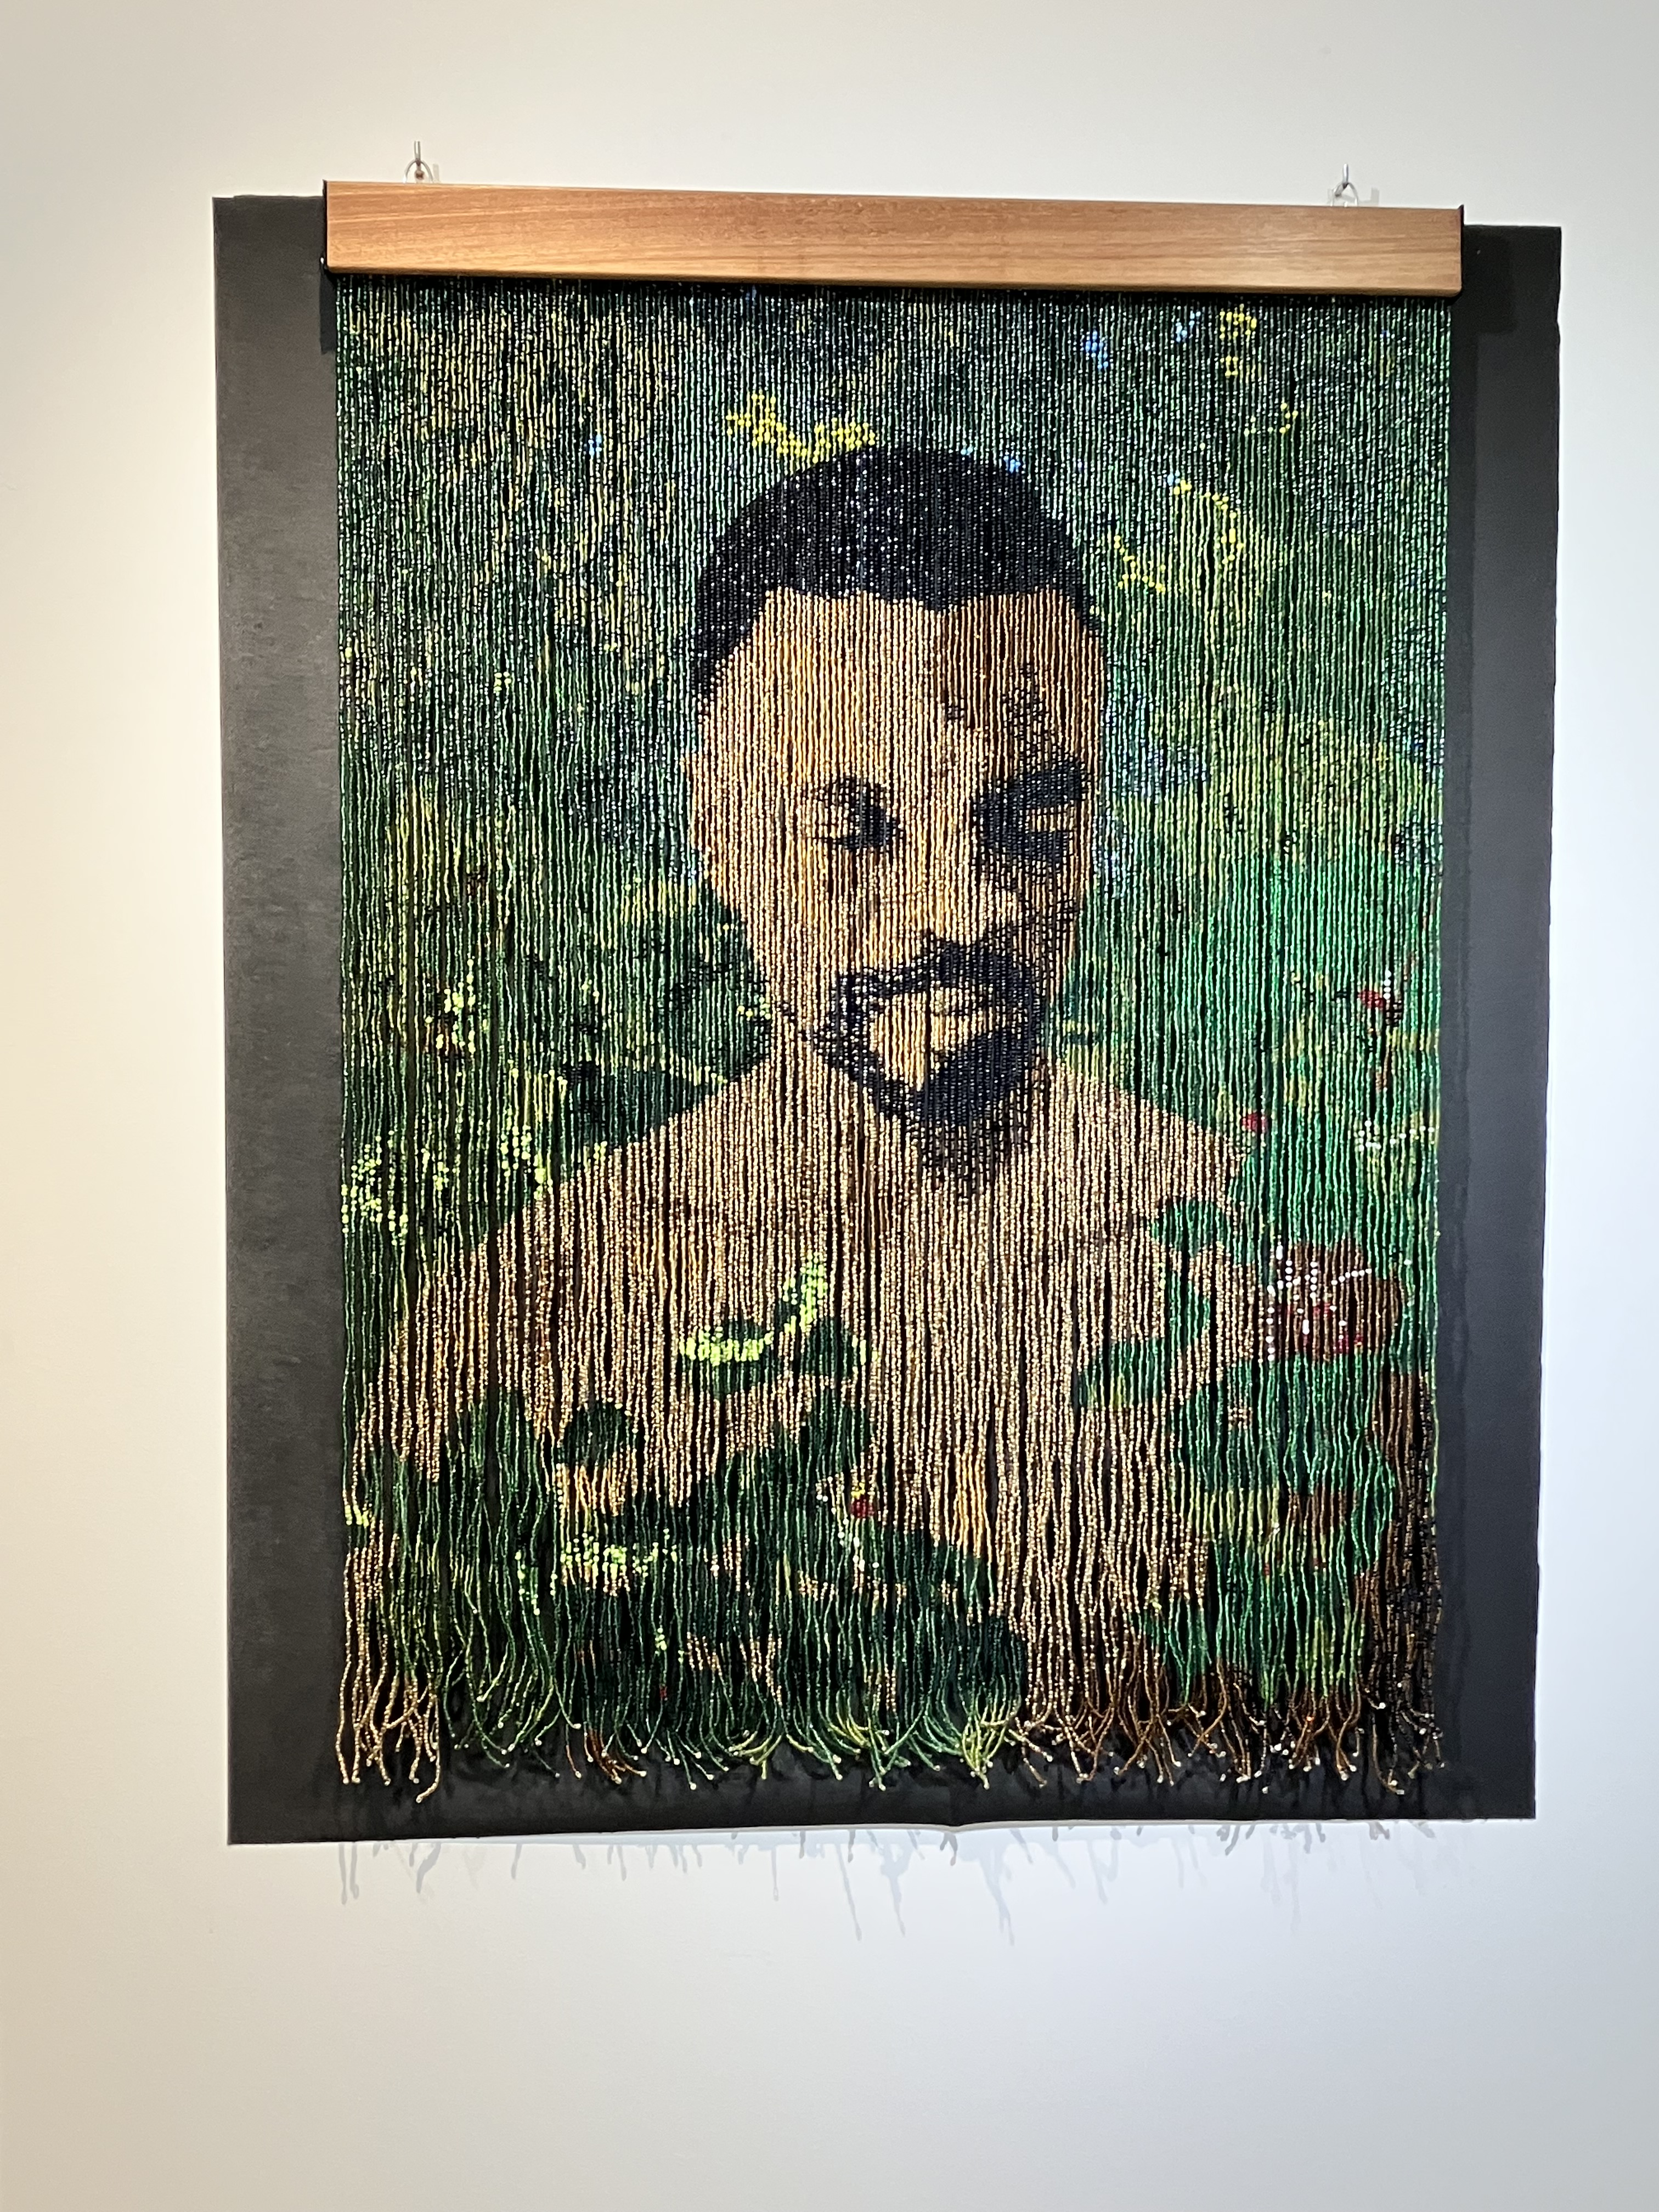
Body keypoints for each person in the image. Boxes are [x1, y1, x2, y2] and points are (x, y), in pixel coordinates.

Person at [378, 447, 1404, 1756]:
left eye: (1030, 821)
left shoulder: (1275, 1290)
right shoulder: (530, 1314)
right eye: (854, 830)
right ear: (716, 828)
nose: (960, 910)